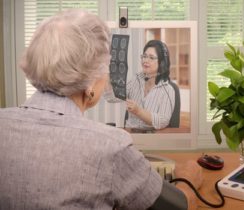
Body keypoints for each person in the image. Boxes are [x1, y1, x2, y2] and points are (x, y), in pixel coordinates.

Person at [0, 9, 202, 210]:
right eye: (105, 66)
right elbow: (179, 207)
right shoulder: (110, 146)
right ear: (90, 83)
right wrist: (186, 181)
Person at [106, 40, 177, 130]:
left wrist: (138, 111)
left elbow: (163, 121)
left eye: (151, 58)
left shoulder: (168, 90)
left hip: (151, 138)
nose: (145, 60)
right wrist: (106, 73)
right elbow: (111, 98)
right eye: (144, 56)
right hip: (130, 134)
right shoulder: (135, 80)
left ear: (162, 63)